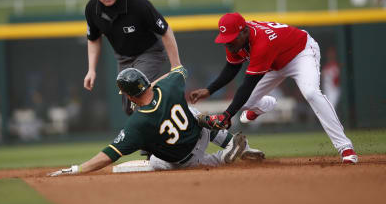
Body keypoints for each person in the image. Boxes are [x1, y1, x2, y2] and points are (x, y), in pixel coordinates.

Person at [189, 13, 358, 164]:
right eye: (226, 39)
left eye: (231, 39)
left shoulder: (262, 42)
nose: (228, 44)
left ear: (244, 32)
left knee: (311, 93)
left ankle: (345, 147)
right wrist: (209, 90)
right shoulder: (236, 41)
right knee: (242, 103)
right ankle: (262, 106)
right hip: (274, 63)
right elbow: (232, 68)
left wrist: (227, 115)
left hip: (300, 54)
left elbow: (248, 84)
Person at [48, 66, 264, 176]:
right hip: (200, 132)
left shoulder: (138, 123)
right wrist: (154, 83)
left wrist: (78, 169)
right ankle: (232, 144)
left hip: (184, 160)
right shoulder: (169, 86)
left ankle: (224, 157)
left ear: (129, 95)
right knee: (191, 111)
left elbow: (110, 154)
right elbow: (180, 70)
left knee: (151, 163)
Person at [84, 0, 181, 116]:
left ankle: (166, 129)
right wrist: (91, 69)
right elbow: (93, 39)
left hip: (150, 53)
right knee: (129, 108)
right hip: (123, 58)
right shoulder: (92, 9)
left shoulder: (137, 3)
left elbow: (165, 30)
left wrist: (176, 66)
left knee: (139, 98)